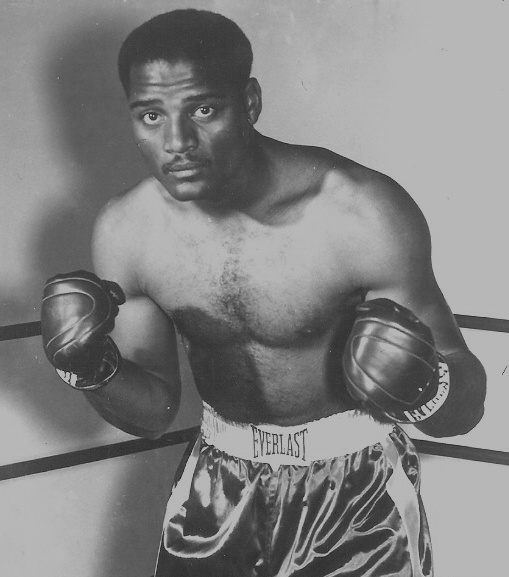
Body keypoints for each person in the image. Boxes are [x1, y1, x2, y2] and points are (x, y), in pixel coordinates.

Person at [40, 9, 486, 577]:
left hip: (357, 497)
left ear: (249, 102)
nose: (176, 142)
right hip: (216, 489)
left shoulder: (361, 214)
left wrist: (427, 385)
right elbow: (153, 412)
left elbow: (466, 404)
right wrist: (90, 369)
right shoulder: (127, 232)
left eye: (203, 109)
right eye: (151, 115)